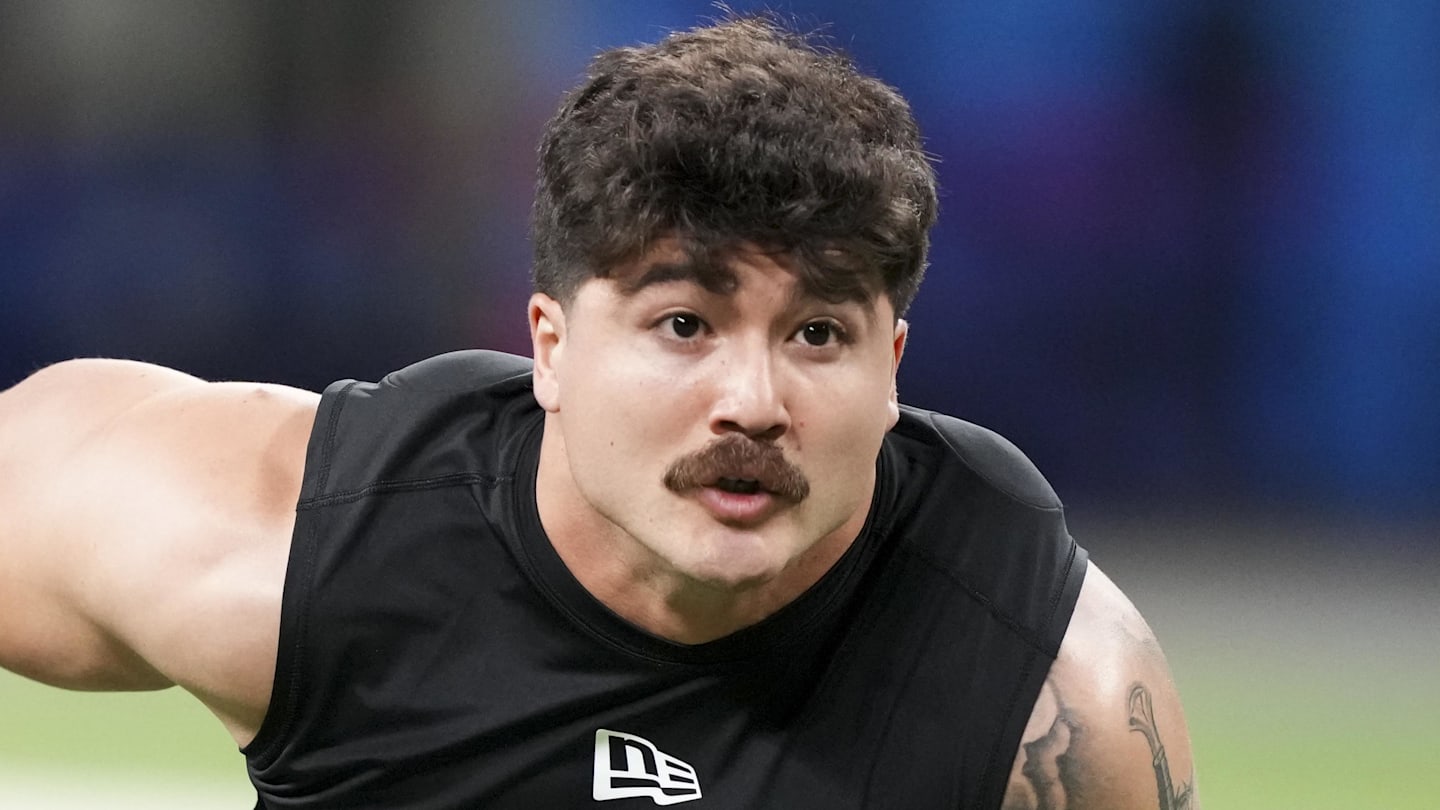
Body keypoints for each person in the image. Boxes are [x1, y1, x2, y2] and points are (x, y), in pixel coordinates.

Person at [0, 16, 1198, 810]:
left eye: (817, 336)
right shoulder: (303, 552)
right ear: (551, 348)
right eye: (684, 324)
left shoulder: (1042, 690)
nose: (753, 403)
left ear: (892, 368)